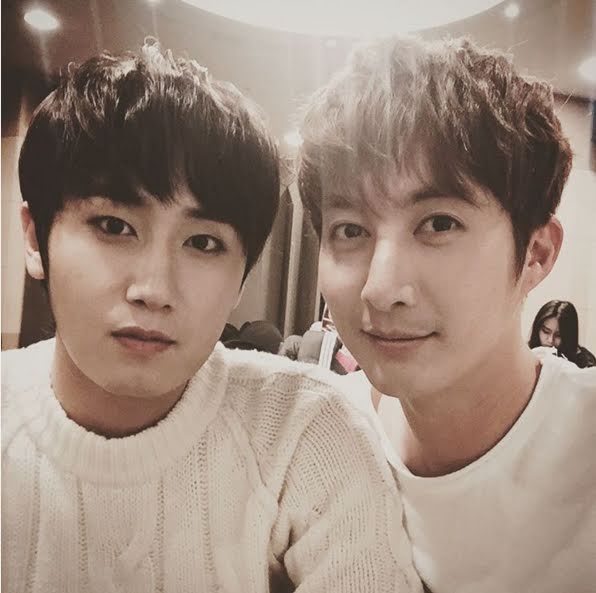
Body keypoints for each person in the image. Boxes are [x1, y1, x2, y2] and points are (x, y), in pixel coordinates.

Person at [1, 41, 422, 592]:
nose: (155, 290)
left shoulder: (303, 432)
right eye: (113, 226)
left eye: (203, 242)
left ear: (242, 276)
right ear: (36, 238)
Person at [297, 35, 596, 593]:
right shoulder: (318, 440)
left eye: (438, 224)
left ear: (535, 254)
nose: (381, 290)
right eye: (350, 230)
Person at [529, 300, 596, 368]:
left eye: (558, 335)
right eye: (546, 331)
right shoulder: (527, 352)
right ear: (537, 329)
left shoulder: (586, 364)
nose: (550, 340)